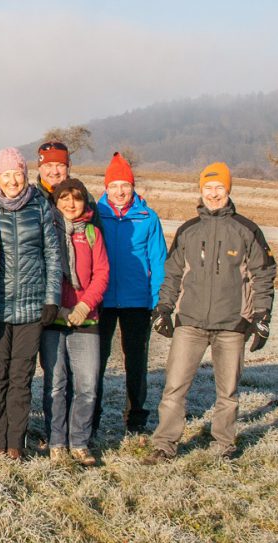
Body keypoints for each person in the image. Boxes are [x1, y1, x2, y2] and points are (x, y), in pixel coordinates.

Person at [145, 162, 276, 463]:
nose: (213, 194)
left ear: (228, 190)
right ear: (200, 190)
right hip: (189, 323)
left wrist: (261, 317)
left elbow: (264, 274)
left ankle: (223, 445)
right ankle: (165, 445)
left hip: (232, 325)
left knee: (227, 392)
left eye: (219, 188)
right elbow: (172, 273)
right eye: (208, 188)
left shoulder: (247, 230)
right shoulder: (189, 230)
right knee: (174, 387)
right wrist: (164, 308)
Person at [0, 148, 63, 460]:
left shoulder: (39, 205)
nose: (13, 181)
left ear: (26, 176)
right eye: (7, 174)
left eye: (18, 174)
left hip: (31, 307)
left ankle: (15, 441)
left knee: (21, 378)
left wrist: (51, 298)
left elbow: (52, 254)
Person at [94, 152, 166, 437]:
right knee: (96, 361)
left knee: (136, 361)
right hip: (103, 300)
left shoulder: (148, 218)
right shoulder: (95, 214)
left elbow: (158, 261)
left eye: (125, 185)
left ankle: (136, 418)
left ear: (133, 187)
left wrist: (157, 301)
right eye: (114, 186)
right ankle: (92, 417)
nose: (120, 191)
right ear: (106, 187)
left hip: (137, 301)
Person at [41, 179, 109, 466]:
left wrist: (84, 306)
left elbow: (102, 274)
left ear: (85, 202)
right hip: (53, 319)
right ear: (55, 202)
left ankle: (79, 441)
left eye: (77, 198)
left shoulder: (92, 233)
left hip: (86, 320)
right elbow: (42, 270)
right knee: (55, 384)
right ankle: (56, 441)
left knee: (87, 384)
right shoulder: (47, 230)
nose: (71, 204)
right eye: (64, 198)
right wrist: (58, 306)